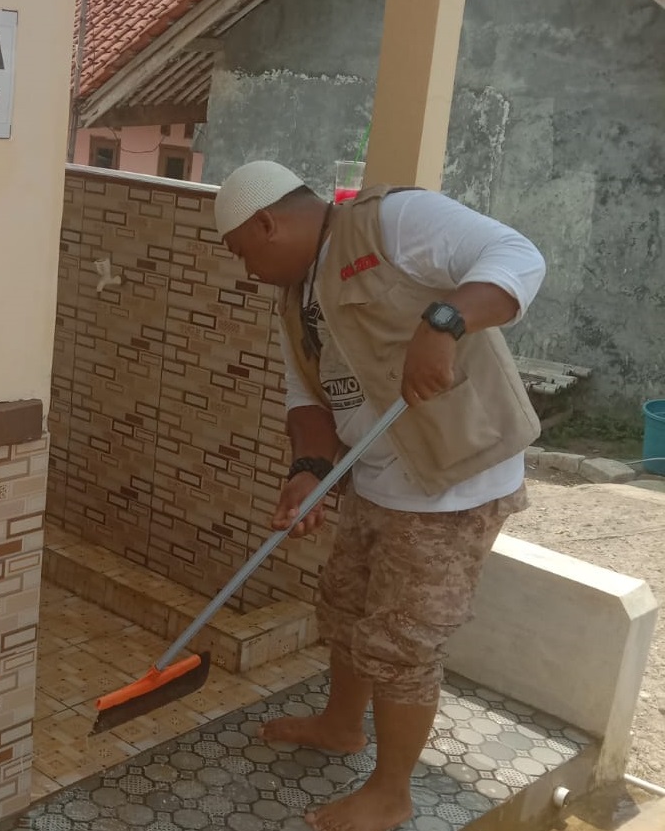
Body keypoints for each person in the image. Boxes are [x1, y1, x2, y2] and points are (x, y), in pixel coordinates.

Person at [211, 161, 546, 831]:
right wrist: (307, 470)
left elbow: (517, 256)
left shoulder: (390, 221)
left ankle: (391, 792)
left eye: (245, 253)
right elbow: (306, 398)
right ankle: (340, 725)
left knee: (401, 642)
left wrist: (444, 321)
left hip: (453, 479)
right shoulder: (295, 296)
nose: (249, 271)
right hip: (375, 476)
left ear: (267, 223)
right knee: (344, 603)